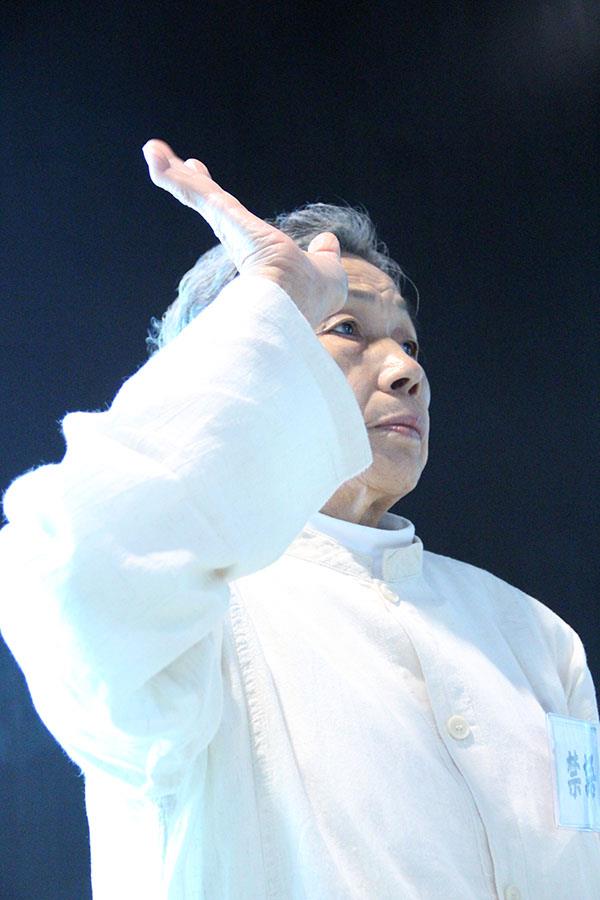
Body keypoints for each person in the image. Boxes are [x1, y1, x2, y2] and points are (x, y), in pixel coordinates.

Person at [1, 140, 598, 900]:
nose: (407, 369)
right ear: (245, 355)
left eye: (409, 342)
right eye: (347, 329)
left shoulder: (536, 637)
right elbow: (76, 568)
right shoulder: (192, 624)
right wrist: (274, 293)